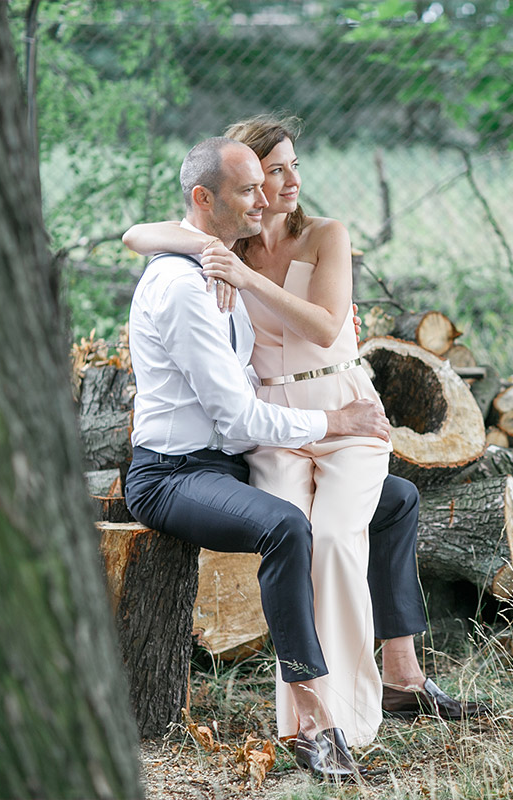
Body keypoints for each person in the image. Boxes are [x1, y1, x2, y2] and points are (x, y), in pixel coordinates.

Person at [123, 119, 484, 742]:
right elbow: (146, 232)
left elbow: (321, 326)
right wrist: (201, 250)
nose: (278, 189)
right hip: (230, 444)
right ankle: (315, 719)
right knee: (300, 532)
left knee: (387, 506)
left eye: (288, 170)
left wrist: (231, 268)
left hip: (316, 413)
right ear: (219, 196)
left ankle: (396, 679)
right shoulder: (213, 256)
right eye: (263, 179)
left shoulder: (296, 239)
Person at [124, 136, 384, 779]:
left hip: (225, 460)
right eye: (250, 189)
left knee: (397, 498)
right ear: (205, 199)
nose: (266, 197)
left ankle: (399, 671)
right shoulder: (183, 288)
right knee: (286, 526)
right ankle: (313, 715)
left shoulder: (223, 258)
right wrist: (333, 420)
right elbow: (237, 417)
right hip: (172, 474)